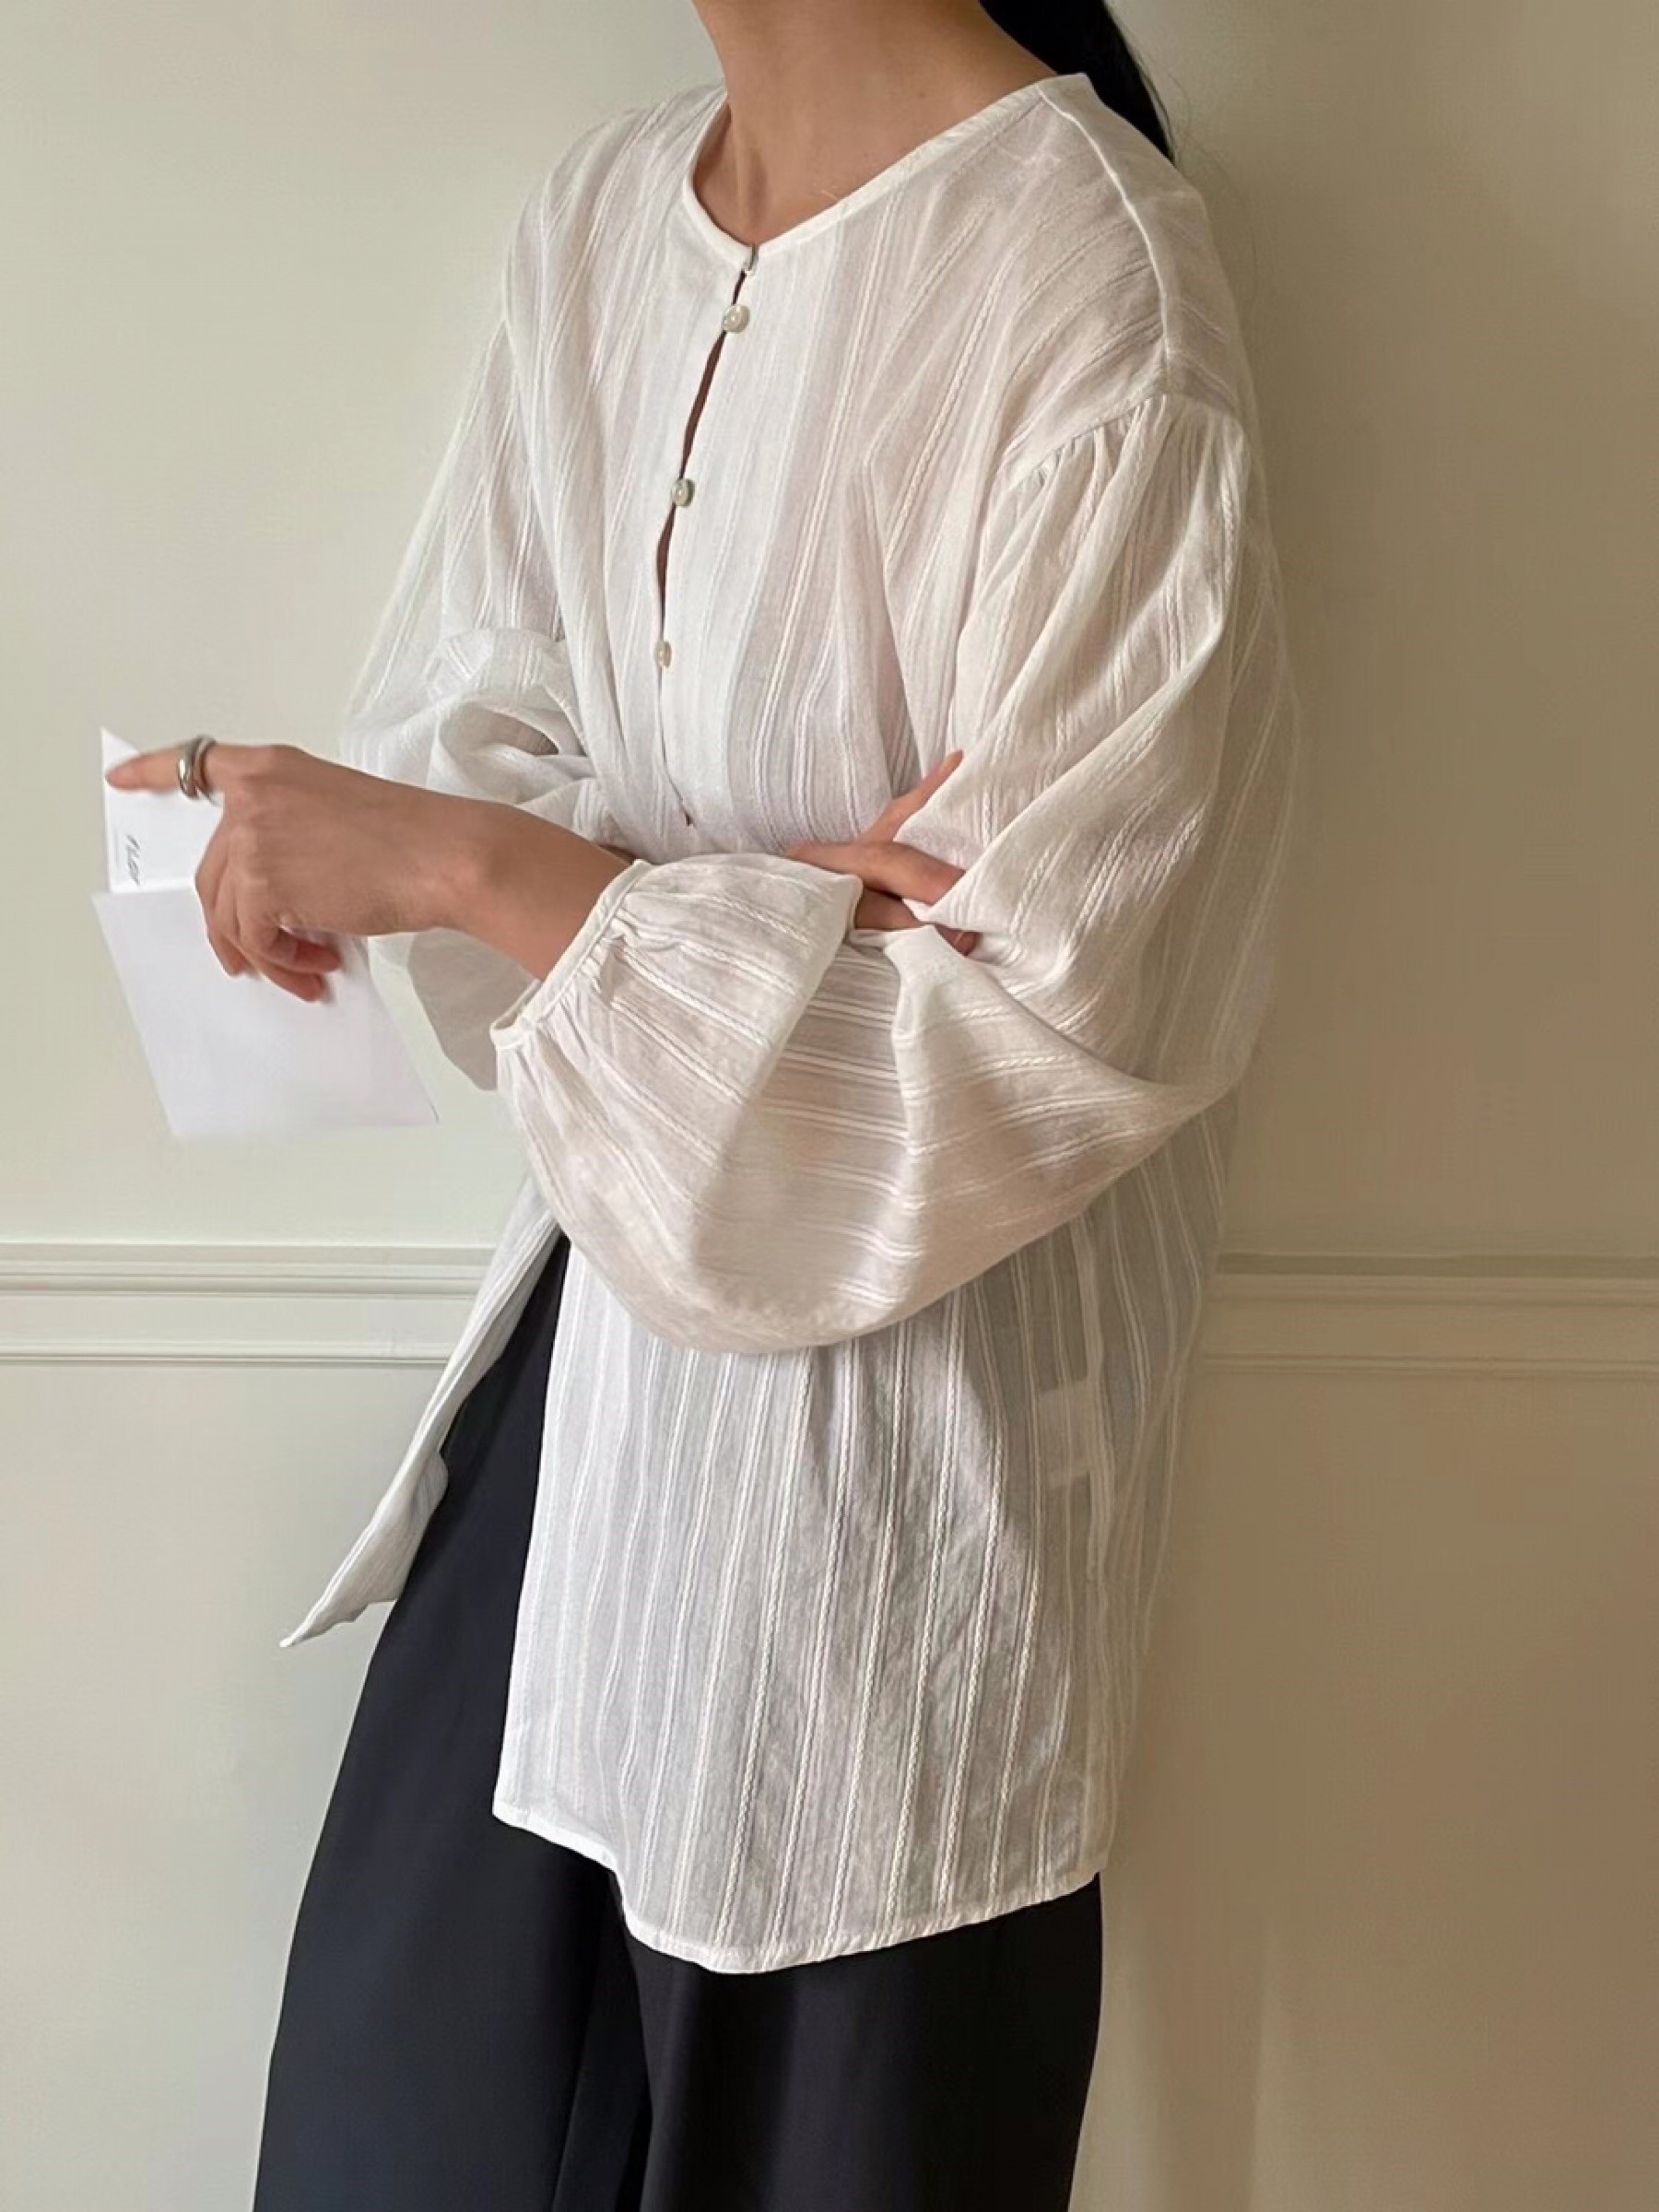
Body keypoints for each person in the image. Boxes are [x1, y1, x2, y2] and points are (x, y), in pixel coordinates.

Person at [110, 4, 1300, 2204]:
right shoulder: (597, 228)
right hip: (571, 1455)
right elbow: (469, 747)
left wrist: (505, 874)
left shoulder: (1094, 292)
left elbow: (1023, 1050)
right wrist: (718, 903)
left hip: (884, 1567)